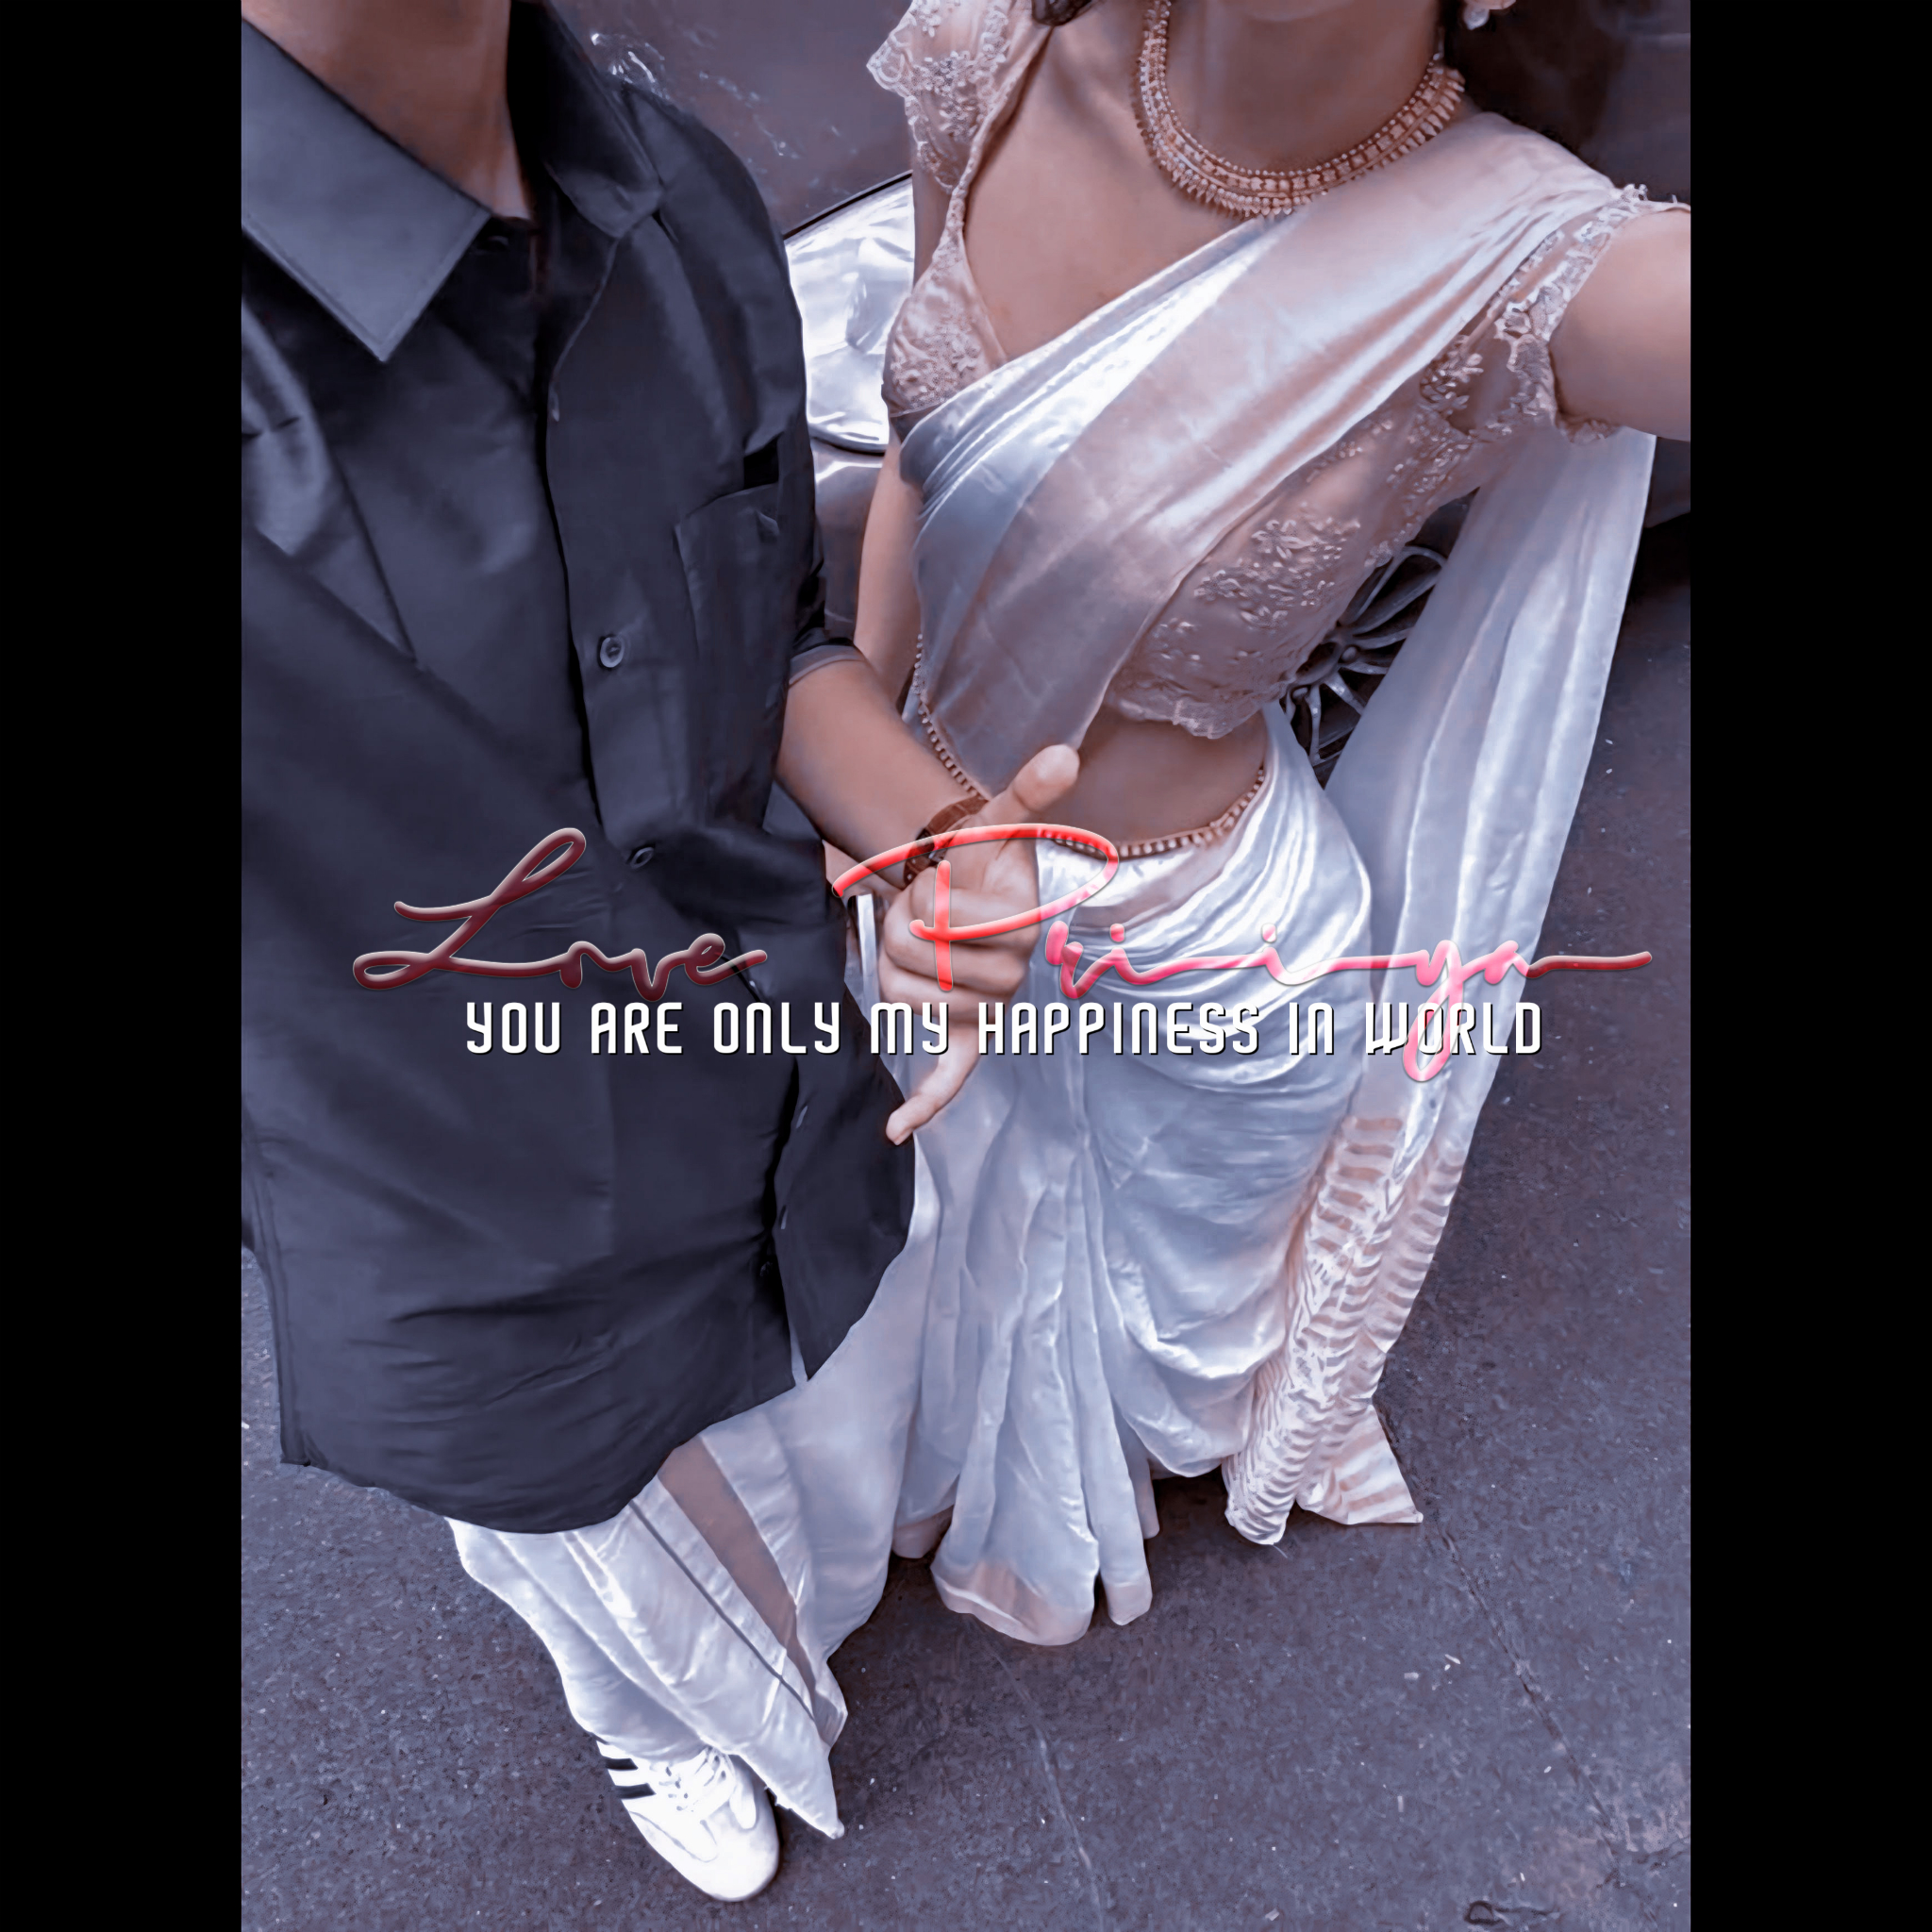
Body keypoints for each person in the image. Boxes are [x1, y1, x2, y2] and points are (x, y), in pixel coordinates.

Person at [241, 0, 1074, 1898]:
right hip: (480, 1264)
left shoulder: (666, 187)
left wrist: (931, 841)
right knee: (618, 1592)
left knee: (824, 1460)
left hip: (781, 1092)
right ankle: (656, 1719)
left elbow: (764, 631)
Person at [846, 0, 1690, 1644]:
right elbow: (924, 458)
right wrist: (857, 795)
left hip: (1211, 959)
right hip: (919, 870)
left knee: (1172, 1336)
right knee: (904, 1266)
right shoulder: (990, 49)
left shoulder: (1528, 264)